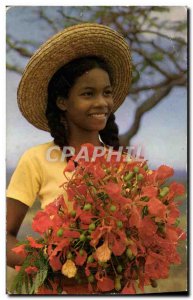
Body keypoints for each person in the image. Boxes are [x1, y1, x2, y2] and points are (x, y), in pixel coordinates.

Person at [6, 23, 132, 293]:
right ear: (62, 101)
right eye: (88, 93)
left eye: (107, 92)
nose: (102, 103)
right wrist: (48, 265)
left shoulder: (127, 165)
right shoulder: (37, 159)